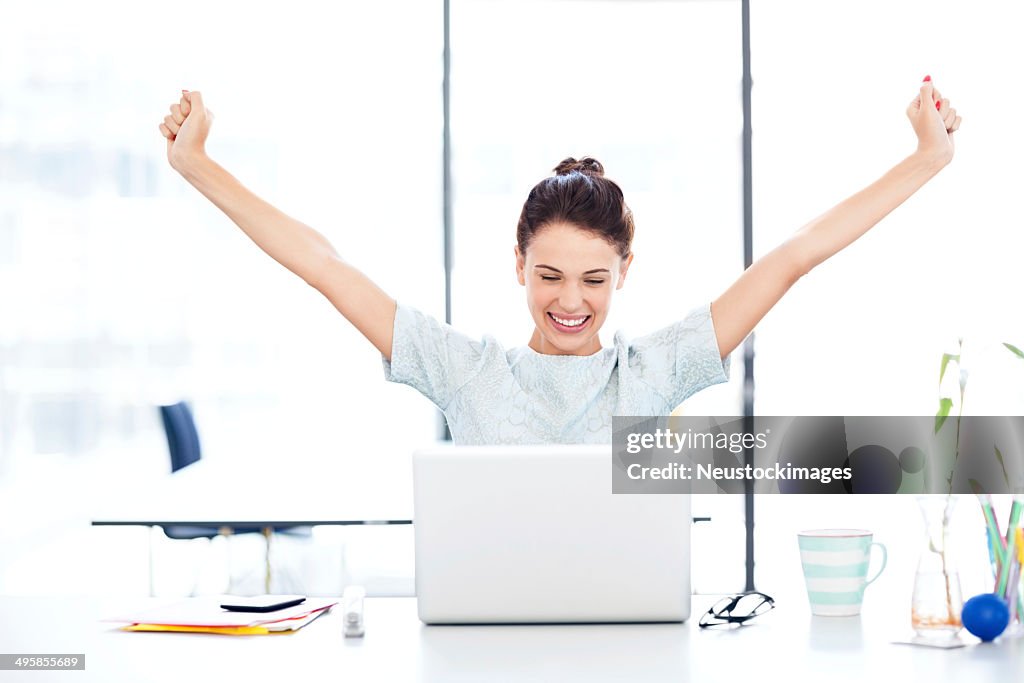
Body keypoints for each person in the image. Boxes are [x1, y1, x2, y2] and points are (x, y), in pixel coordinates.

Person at [158, 77, 961, 444]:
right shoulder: (464, 370)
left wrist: (926, 160)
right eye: (549, 276)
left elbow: (793, 258)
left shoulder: (656, 369)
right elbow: (325, 264)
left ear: (624, 272)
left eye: (592, 279)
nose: (570, 301)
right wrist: (198, 166)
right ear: (518, 265)